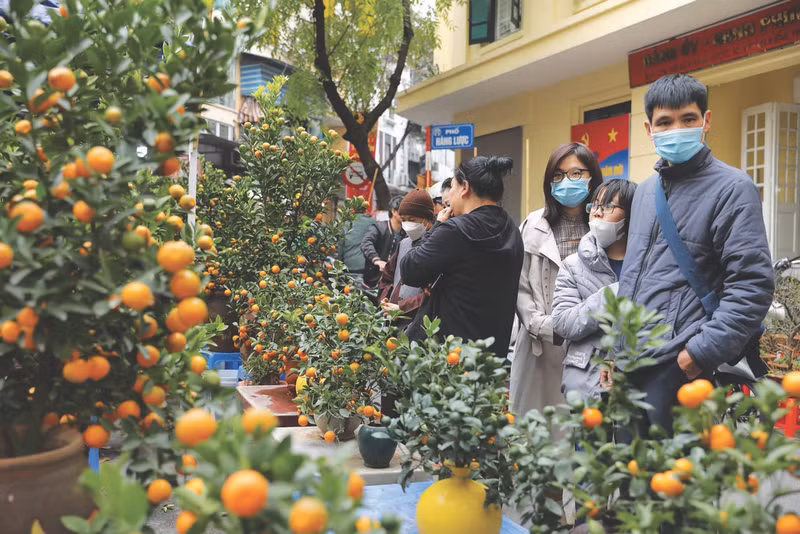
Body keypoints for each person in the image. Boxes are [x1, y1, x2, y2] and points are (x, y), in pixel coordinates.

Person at [617, 73, 773, 436]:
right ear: (648, 128)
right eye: (665, 122)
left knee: (676, 483)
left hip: (679, 367)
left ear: (707, 121)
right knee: (629, 480)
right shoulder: (645, 191)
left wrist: (695, 356)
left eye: (688, 119)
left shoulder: (733, 189)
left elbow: (752, 287)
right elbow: (633, 277)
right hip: (631, 364)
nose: (677, 129)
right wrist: (616, 347)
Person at [510, 142, 603, 417]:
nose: (567, 182)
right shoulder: (533, 225)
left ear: (591, 177)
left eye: (576, 174)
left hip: (592, 345)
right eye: (558, 175)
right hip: (542, 348)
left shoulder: (604, 224)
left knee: (585, 432)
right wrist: (541, 324)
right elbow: (520, 285)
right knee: (541, 433)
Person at [400, 157, 523, 360]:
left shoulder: (455, 229)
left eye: (453, 187)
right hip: (489, 356)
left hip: (448, 358)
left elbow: (409, 270)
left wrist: (437, 226)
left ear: (464, 188)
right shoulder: (511, 229)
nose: (449, 196)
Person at [552, 179, 637, 401]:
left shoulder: (649, 265)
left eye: (608, 206)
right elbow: (563, 322)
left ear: (633, 214)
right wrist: (614, 295)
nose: (597, 214)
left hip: (638, 382)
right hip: (587, 385)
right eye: (594, 206)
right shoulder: (573, 265)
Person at [378, 189, 436, 326]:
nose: (407, 224)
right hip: (393, 321)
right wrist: (385, 298)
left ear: (427, 219)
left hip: (418, 323)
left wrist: (403, 308)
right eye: (403, 220)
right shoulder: (404, 243)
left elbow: (434, 292)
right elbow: (387, 275)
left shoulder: (435, 246)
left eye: (412, 220)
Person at [360, 195, 404, 288]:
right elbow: (366, 242)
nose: (407, 215)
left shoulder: (405, 233)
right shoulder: (379, 227)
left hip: (393, 284)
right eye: (403, 211)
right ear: (394, 211)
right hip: (373, 282)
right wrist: (377, 260)